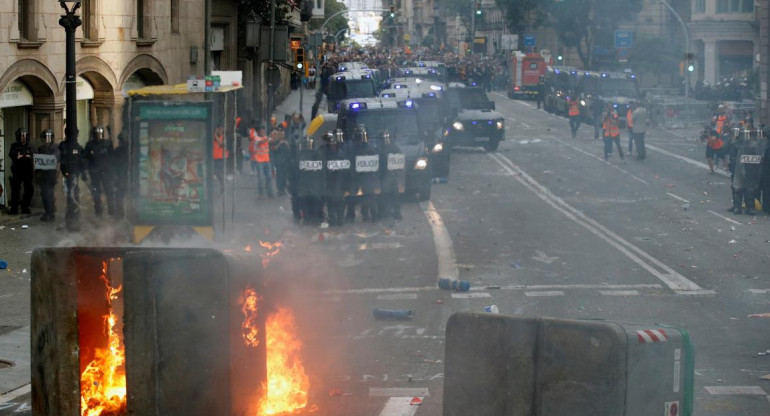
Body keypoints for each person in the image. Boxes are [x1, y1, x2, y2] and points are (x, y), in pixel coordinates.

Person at [83, 126, 115, 217]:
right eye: (96, 134)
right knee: (96, 191)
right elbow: (85, 158)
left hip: (106, 172)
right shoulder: (90, 145)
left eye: (99, 134)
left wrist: (112, 170)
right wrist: (85, 170)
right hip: (95, 172)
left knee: (109, 191)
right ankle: (98, 210)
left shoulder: (107, 144)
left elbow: (112, 157)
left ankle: (111, 210)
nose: (98, 136)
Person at [322, 130, 350, 227]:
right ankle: (333, 222)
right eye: (331, 145)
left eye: (334, 145)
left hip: (340, 183)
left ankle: (340, 221)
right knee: (331, 204)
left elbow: (346, 170)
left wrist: (347, 185)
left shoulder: (341, 155)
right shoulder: (324, 155)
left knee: (340, 204)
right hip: (330, 184)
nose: (332, 147)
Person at [59, 133, 85, 231]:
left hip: (75, 175)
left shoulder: (78, 147)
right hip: (68, 175)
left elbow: (81, 161)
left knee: (74, 196)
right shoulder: (63, 146)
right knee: (71, 196)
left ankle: (74, 220)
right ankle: (70, 220)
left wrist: (82, 173)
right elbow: (62, 160)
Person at [378, 130, 405, 221]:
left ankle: (397, 214)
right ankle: (383, 214)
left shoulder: (394, 148)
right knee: (383, 197)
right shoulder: (378, 149)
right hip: (383, 177)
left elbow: (400, 162)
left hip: (392, 176)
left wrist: (398, 174)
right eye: (383, 138)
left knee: (395, 196)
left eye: (387, 138)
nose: (385, 140)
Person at [7, 128, 34, 215]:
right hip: (17, 171)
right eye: (22, 136)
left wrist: (27, 157)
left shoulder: (30, 146)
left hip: (28, 171)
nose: (23, 138)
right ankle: (14, 209)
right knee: (15, 190)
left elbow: (34, 156)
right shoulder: (14, 146)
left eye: (25, 136)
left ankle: (25, 207)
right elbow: (11, 154)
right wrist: (17, 156)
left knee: (29, 190)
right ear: (18, 137)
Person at [36, 129, 59, 221]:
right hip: (43, 174)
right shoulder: (41, 148)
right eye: (45, 137)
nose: (47, 139)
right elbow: (38, 160)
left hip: (50, 174)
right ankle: (48, 212)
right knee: (45, 195)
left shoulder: (55, 147)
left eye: (49, 137)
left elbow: (55, 159)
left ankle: (50, 213)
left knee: (49, 194)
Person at [249, 124, 273, 198]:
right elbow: (261, 142)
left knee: (269, 177)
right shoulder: (256, 138)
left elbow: (271, 140)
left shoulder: (265, 137)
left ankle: (269, 193)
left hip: (267, 160)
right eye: (262, 130)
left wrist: (276, 135)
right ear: (258, 131)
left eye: (264, 130)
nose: (263, 132)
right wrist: (269, 137)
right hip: (259, 161)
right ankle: (261, 193)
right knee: (261, 178)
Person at [112, 132, 129, 218]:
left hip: (122, 176)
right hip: (123, 176)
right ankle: (120, 213)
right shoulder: (125, 149)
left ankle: (120, 214)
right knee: (121, 195)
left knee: (120, 196)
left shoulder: (121, 150)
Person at [270, 128, 291, 196]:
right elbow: (274, 149)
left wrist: (286, 144)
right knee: (279, 176)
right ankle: (279, 190)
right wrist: (279, 143)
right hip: (278, 162)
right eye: (280, 134)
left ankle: (283, 189)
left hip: (285, 161)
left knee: (284, 176)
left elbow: (289, 149)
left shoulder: (286, 141)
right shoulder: (276, 141)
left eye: (283, 134)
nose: (282, 135)